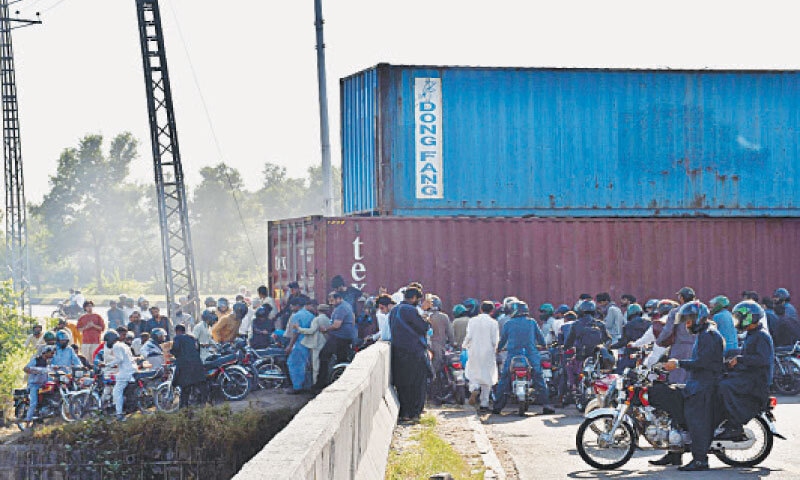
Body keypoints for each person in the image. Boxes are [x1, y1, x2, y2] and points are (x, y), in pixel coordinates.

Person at [648, 300, 724, 471]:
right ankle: (674, 453)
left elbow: (703, 363)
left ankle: (700, 460)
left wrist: (679, 364)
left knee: (695, 419)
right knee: (672, 404)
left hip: (705, 386)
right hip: (696, 382)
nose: (687, 324)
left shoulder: (709, 335)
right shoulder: (703, 334)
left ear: (699, 318)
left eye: (689, 320)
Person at [716, 301, 774, 442]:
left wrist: (740, 359)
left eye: (739, 317)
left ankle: (735, 425)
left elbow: (762, 360)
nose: (738, 321)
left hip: (757, 380)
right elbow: (746, 353)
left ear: (750, 318)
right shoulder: (752, 333)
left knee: (725, 386)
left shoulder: (761, 336)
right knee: (720, 379)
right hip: (749, 375)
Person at [492, 301, 554, 415]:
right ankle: (546, 405)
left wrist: (499, 349)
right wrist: (544, 346)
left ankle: (497, 407)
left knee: (504, 379)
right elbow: (540, 338)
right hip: (531, 355)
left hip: (513, 356)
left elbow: (502, 341)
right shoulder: (531, 322)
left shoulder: (508, 324)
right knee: (539, 378)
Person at [388, 287, 430, 422]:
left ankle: (404, 413)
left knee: (402, 384)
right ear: (413, 298)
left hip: (398, 352)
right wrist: (425, 317)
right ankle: (415, 413)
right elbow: (423, 327)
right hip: (414, 352)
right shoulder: (411, 310)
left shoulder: (394, 310)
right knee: (417, 384)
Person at [313, 291, 357, 392]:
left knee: (323, 356)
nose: (331, 303)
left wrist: (326, 329)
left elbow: (337, 325)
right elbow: (353, 319)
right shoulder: (347, 305)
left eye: (332, 300)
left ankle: (321, 383)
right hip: (346, 337)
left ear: (339, 298)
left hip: (338, 337)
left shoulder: (341, 308)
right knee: (341, 359)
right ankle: (339, 380)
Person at [656, 286, 697, 384]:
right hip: (696, 347)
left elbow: (667, 330)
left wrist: (658, 341)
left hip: (680, 347)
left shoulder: (676, 312)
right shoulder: (699, 311)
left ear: (681, 298)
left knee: (677, 378)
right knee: (691, 377)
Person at [464, 301, 499, 412]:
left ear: (480, 309)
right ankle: (484, 403)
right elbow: (495, 340)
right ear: (492, 311)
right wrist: (495, 349)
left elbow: (468, 336)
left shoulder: (472, 321)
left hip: (474, 351)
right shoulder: (493, 323)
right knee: (487, 376)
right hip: (488, 352)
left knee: (474, 373)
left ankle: (474, 388)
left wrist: (464, 346)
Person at [170, 324, 209, 408]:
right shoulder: (192, 338)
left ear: (177, 331)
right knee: (201, 385)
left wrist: (173, 354)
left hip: (185, 366)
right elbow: (197, 349)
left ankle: (184, 407)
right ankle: (204, 403)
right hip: (197, 364)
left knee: (185, 387)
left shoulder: (177, 338)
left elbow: (175, 350)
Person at [103, 330, 138, 421]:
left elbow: (119, 359)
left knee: (116, 392)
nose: (107, 343)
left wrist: (108, 365)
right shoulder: (123, 345)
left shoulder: (116, 346)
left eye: (107, 341)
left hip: (126, 371)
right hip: (131, 369)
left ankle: (119, 414)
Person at [630, 300, 674, 368]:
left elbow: (645, 339)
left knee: (646, 367)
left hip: (658, 356)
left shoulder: (658, 324)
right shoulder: (680, 322)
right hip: (677, 355)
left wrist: (633, 344)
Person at [427, 295, 454, 403]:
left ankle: (428, 395)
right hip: (439, 347)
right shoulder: (444, 317)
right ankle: (435, 395)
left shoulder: (426, 316)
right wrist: (453, 344)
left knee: (429, 370)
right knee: (436, 371)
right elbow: (450, 333)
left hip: (427, 347)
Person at [296, 303, 331, 385]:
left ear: (318, 310)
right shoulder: (327, 319)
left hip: (316, 343)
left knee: (316, 364)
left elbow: (311, 331)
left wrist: (299, 329)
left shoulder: (317, 319)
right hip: (324, 341)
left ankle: (316, 383)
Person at [610, 304, 651, 373]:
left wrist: (611, 347)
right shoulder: (649, 323)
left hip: (631, 355)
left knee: (619, 373)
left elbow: (623, 342)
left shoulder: (628, 325)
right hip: (647, 354)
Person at [23, 345, 57, 427]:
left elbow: (50, 369)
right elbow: (25, 369)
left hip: (44, 383)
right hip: (34, 384)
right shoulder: (36, 360)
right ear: (45, 352)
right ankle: (27, 421)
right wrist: (36, 370)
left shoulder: (49, 362)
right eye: (51, 353)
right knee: (33, 403)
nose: (52, 355)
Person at [286, 297, 314, 393]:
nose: (291, 307)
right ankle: (307, 386)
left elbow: (295, 333)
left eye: (292, 305)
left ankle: (297, 387)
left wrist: (290, 346)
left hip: (299, 343)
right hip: (309, 342)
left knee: (294, 364)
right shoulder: (310, 315)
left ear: (297, 306)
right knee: (306, 364)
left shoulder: (296, 316)